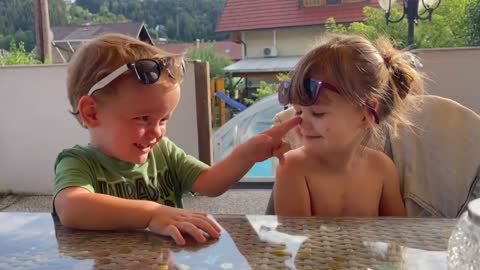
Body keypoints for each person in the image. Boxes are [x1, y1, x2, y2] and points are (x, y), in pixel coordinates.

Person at [54, 33, 300, 245]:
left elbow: (209, 183)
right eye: (142, 119)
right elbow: (72, 207)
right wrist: (152, 214)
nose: (157, 132)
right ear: (92, 112)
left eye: (163, 120)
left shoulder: (162, 152)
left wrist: (248, 154)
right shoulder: (79, 162)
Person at [274, 34, 424, 217]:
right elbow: (297, 242)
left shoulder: (382, 169)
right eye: (298, 112)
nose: (301, 123)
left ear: (366, 114)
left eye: (318, 113)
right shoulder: (292, 168)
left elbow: (397, 237)